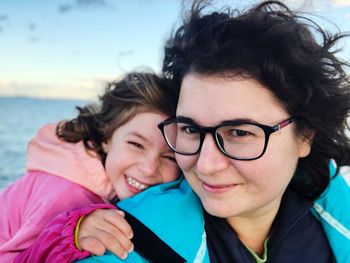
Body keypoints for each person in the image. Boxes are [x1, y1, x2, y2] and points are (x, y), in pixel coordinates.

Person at [75, 0, 350, 262]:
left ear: (304, 137)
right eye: (191, 129)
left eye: (240, 133)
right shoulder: (129, 239)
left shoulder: (335, 211)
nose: (206, 165)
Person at [0, 72, 179, 262]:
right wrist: (70, 236)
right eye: (136, 145)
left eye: (169, 157)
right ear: (107, 137)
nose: (149, 168)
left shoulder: (104, 178)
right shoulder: (64, 194)